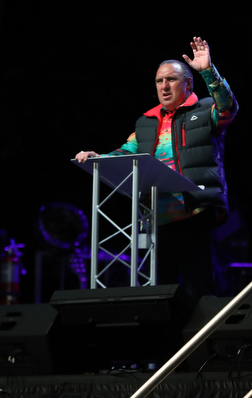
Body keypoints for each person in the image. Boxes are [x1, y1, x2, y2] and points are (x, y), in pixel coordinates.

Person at [74, 36, 238, 299]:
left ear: (188, 84)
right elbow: (127, 151)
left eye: (171, 79)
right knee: (161, 296)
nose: (164, 86)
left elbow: (228, 107)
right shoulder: (146, 122)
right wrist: (99, 157)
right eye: (159, 81)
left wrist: (208, 71)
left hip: (195, 212)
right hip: (156, 220)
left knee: (198, 292)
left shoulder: (206, 109)